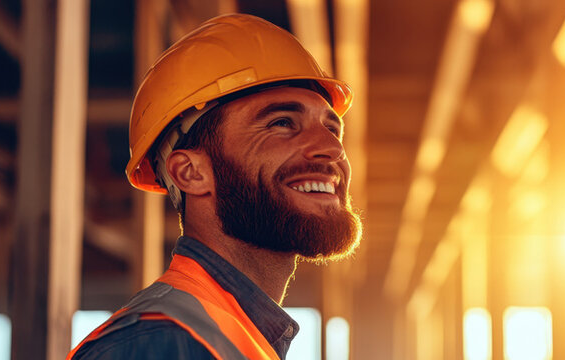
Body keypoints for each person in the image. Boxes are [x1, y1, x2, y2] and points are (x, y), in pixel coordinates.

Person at [68, 13, 362, 360]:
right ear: (191, 173)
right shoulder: (157, 343)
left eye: (332, 128)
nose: (333, 149)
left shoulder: (237, 336)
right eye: (282, 123)